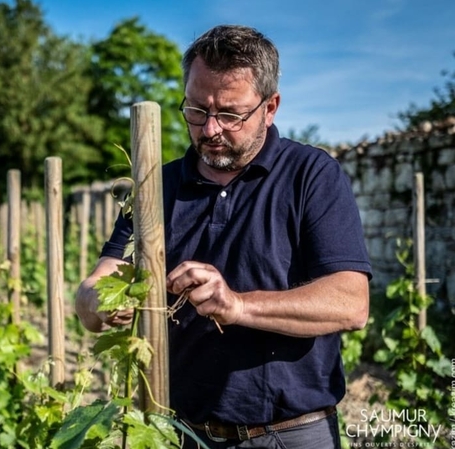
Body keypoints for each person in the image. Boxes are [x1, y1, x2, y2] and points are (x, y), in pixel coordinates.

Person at [75, 24, 372, 449]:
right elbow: (96, 287)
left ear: (270, 107)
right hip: (178, 433)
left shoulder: (311, 176)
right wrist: (96, 303)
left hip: (290, 435)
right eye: (196, 110)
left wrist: (236, 305)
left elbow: (350, 303)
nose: (210, 129)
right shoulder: (155, 189)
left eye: (230, 114)